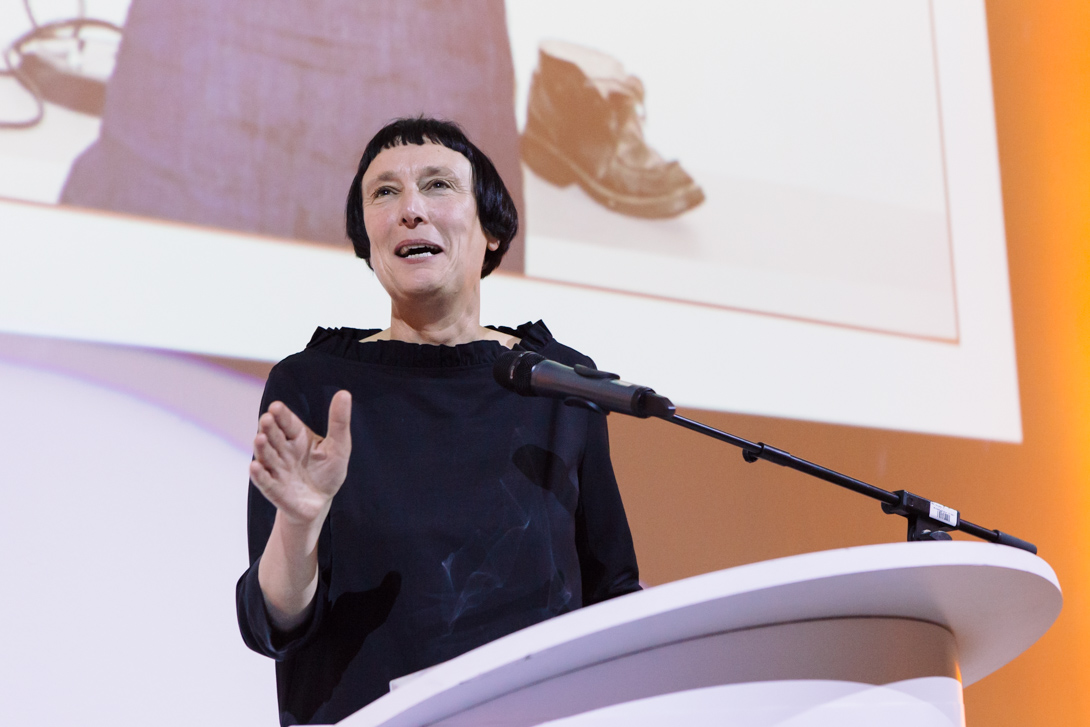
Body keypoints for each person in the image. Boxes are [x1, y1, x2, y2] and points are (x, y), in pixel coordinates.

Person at [235, 117, 640, 725]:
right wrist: (299, 522)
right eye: (384, 193)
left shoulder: (559, 385)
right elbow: (276, 625)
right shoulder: (312, 385)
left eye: (438, 186)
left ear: (493, 232)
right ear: (366, 241)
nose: (410, 210)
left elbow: (613, 601)